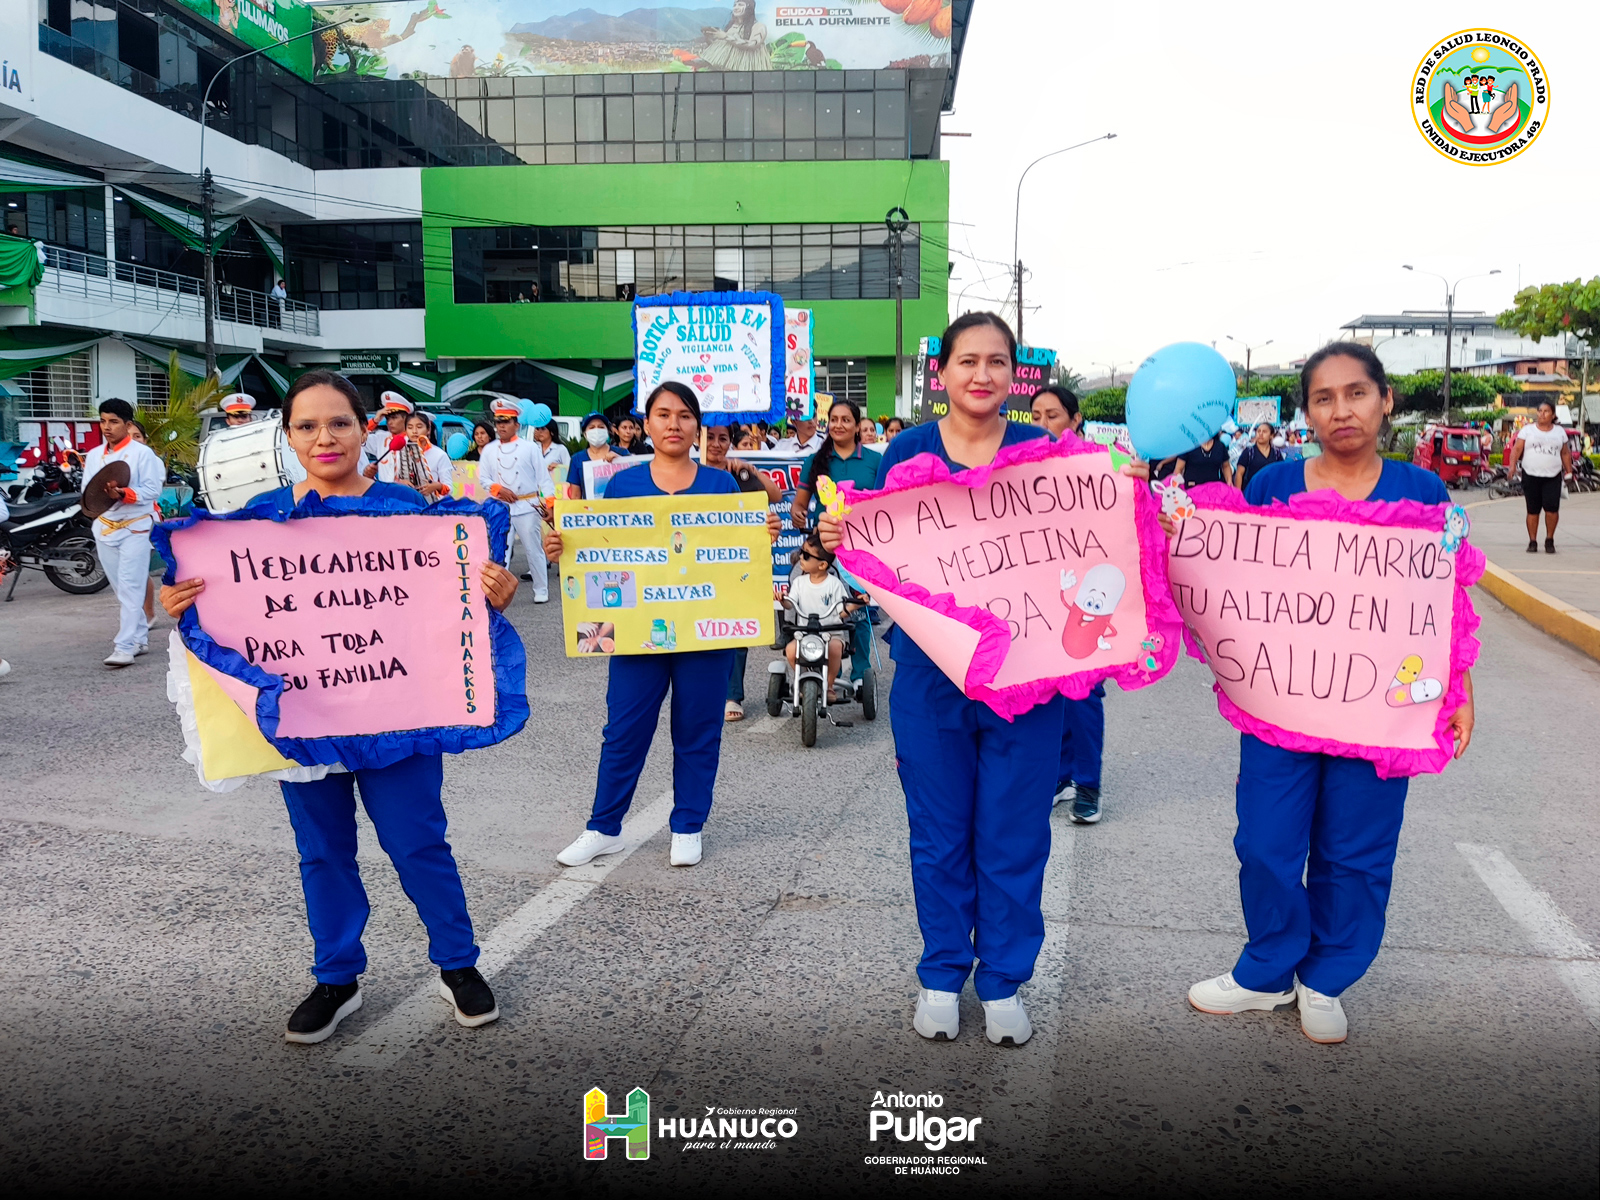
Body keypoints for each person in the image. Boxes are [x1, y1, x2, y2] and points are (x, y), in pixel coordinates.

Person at [160, 370, 518, 1044]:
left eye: (339, 423)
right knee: (322, 850)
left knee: (418, 843)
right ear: (288, 438)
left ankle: (458, 964)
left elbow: (447, 604)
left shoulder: (408, 509)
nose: (324, 437)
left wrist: (490, 593)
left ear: (364, 430)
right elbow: (225, 611)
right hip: (305, 721)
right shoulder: (259, 519)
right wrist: (180, 604)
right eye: (307, 426)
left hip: (397, 719)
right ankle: (337, 977)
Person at [1182, 343, 1474, 1045]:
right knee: (1266, 842)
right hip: (1281, 707)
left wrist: (1459, 686)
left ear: (1385, 400)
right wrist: (1175, 531)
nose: (1341, 410)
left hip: (1381, 713)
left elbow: (1446, 601)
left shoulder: (1424, 493)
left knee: (1358, 851)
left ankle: (1326, 979)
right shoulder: (1273, 486)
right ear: (1305, 410)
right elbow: (1229, 578)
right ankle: (1267, 972)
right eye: (1323, 398)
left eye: (1356, 393)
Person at [819, 312, 1060, 1048]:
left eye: (997, 361)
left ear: (1014, 375)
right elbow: (879, 558)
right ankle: (941, 972)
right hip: (930, 675)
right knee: (939, 831)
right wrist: (840, 540)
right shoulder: (908, 452)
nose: (982, 374)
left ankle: (1005, 980)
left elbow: (1083, 551)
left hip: (1029, 677)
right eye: (967, 361)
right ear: (943, 374)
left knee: (1014, 832)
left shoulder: (1048, 455)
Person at [544, 382, 780, 870]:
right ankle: (603, 827)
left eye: (684, 415)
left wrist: (762, 534)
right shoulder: (623, 486)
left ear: (697, 427)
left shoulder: (721, 487)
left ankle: (688, 824)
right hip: (634, 634)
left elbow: (735, 556)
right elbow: (601, 553)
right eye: (663, 414)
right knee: (624, 729)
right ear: (646, 424)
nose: (674, 424)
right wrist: (564, 549)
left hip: (704, 633)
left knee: (697, 728)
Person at [702, 421, 781, 721]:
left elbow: (773, 498)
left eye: (723, 438)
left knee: (735, 629)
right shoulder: (688, 474)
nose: (716, 444)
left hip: (737, 564)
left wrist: (753, 470)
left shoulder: (740, 474)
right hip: (697, 567)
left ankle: (732, 695)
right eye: (709, 437)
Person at [81, 399, 165, 668]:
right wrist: (101, 499)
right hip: (105, 528)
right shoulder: (94, 455)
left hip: (135, 527)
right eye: (103, 421)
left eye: (113, 421)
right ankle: (139, 638)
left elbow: (152, 491)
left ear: (128, 425)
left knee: (130, 587)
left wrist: (125, 494)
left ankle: (124, 646)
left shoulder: (143, 454)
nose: (107, 427)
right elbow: (88, 493)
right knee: (122, 590)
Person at [477, 397, 553, 603]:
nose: (501, 426)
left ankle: (541, 588)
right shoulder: (490, 450)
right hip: (502, 506)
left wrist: (550, 505)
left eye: (506, 421)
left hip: (527, 504)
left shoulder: (530, 448)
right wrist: (499, 489)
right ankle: (497, 591)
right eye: (498, 422)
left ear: (516, 425)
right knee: (500, 549)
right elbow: (483, 478)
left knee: (533, 549)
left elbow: (544, 479)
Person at [784, 532, 859, 703]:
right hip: (805, 633)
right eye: (801, 552)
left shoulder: (834, 584)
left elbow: (841, 612)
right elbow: (791, 605)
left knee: (834, 648)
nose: (801, 557)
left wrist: (853, 606)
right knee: (790, 650)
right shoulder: (799, 583)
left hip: (830, 632)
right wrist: (783, 600)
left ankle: (829, 684)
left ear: (822, 565)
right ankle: (802, 679)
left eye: (806, 555)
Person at [791, 397, 876, 528]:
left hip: (865, 539)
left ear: (858, 426)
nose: (838, 425)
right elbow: (799, 504)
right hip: (824, 541)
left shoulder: (875, 460)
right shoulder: (814, 460)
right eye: (833, 420)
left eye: (846, 420)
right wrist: (797, 514)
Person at [1505, 399, 1571, 553]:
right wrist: (1512, 466)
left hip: (1553, 476)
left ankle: (1549, 539)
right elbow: (1516, 449)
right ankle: (1532, 541)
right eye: (1540, 411)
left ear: (1553, 415)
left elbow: (1565, 452)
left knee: (1552, 509)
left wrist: (1569, 471)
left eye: (1546, 411)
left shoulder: (1559, 432)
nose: (1542, 414)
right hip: (1531, 475)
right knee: (1532, 510)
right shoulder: (1528, 430)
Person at [565, 411, 627, 500]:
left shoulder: (622, 453)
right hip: (591, 511)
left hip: (620, 510)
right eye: (592, 427)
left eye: (601, 427)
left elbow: (634, 479)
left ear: (607, 432)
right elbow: (575, 495)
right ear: (585, 434)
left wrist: (621, 461)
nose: (596, 430)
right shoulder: (577, 459)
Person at [699, 0, 771, 71]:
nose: (736, 8)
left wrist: (726, 37)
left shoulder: (759, 26)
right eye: (734, 5)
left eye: (740, 4)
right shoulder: (732, 27)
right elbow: (724, 49)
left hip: (748, 69)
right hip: (727, 69)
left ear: (749, 8)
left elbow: (753, 44)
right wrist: (708, 36)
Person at [402, 411, 454, 500]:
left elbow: (449, 489)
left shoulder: (439, 455)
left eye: (419, 427)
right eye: (410, 427)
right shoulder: (399, 452)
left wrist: (436, 486)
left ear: (428, 429)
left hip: (431, 507)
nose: (414, 431)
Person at [364, 392, 413, 482]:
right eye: (387, 418)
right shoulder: (381, 438)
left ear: (406, 418)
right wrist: (375, 420)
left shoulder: (414, 440)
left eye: (394, 418)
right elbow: (358, 439)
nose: (389, 422)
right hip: (386, 492)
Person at [1233, 421, 1284, 491]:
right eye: (1258, 431)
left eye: (1264, 431)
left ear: (1271, 435)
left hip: (1270, 492)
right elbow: (1239, 474)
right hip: (1251, 492)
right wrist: (1238, 494)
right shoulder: (1249, 452)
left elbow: (1280, 473)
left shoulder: (1276, 453)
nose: (1260, 434)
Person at [531, 414, 571, 502]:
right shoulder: (534, 448)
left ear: (552, 432)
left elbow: (569, 470)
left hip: (556, 492)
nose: (539, 432)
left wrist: (559, 467)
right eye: (537, 429)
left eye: (543, 429)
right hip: (536, 492)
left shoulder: (560, 449)